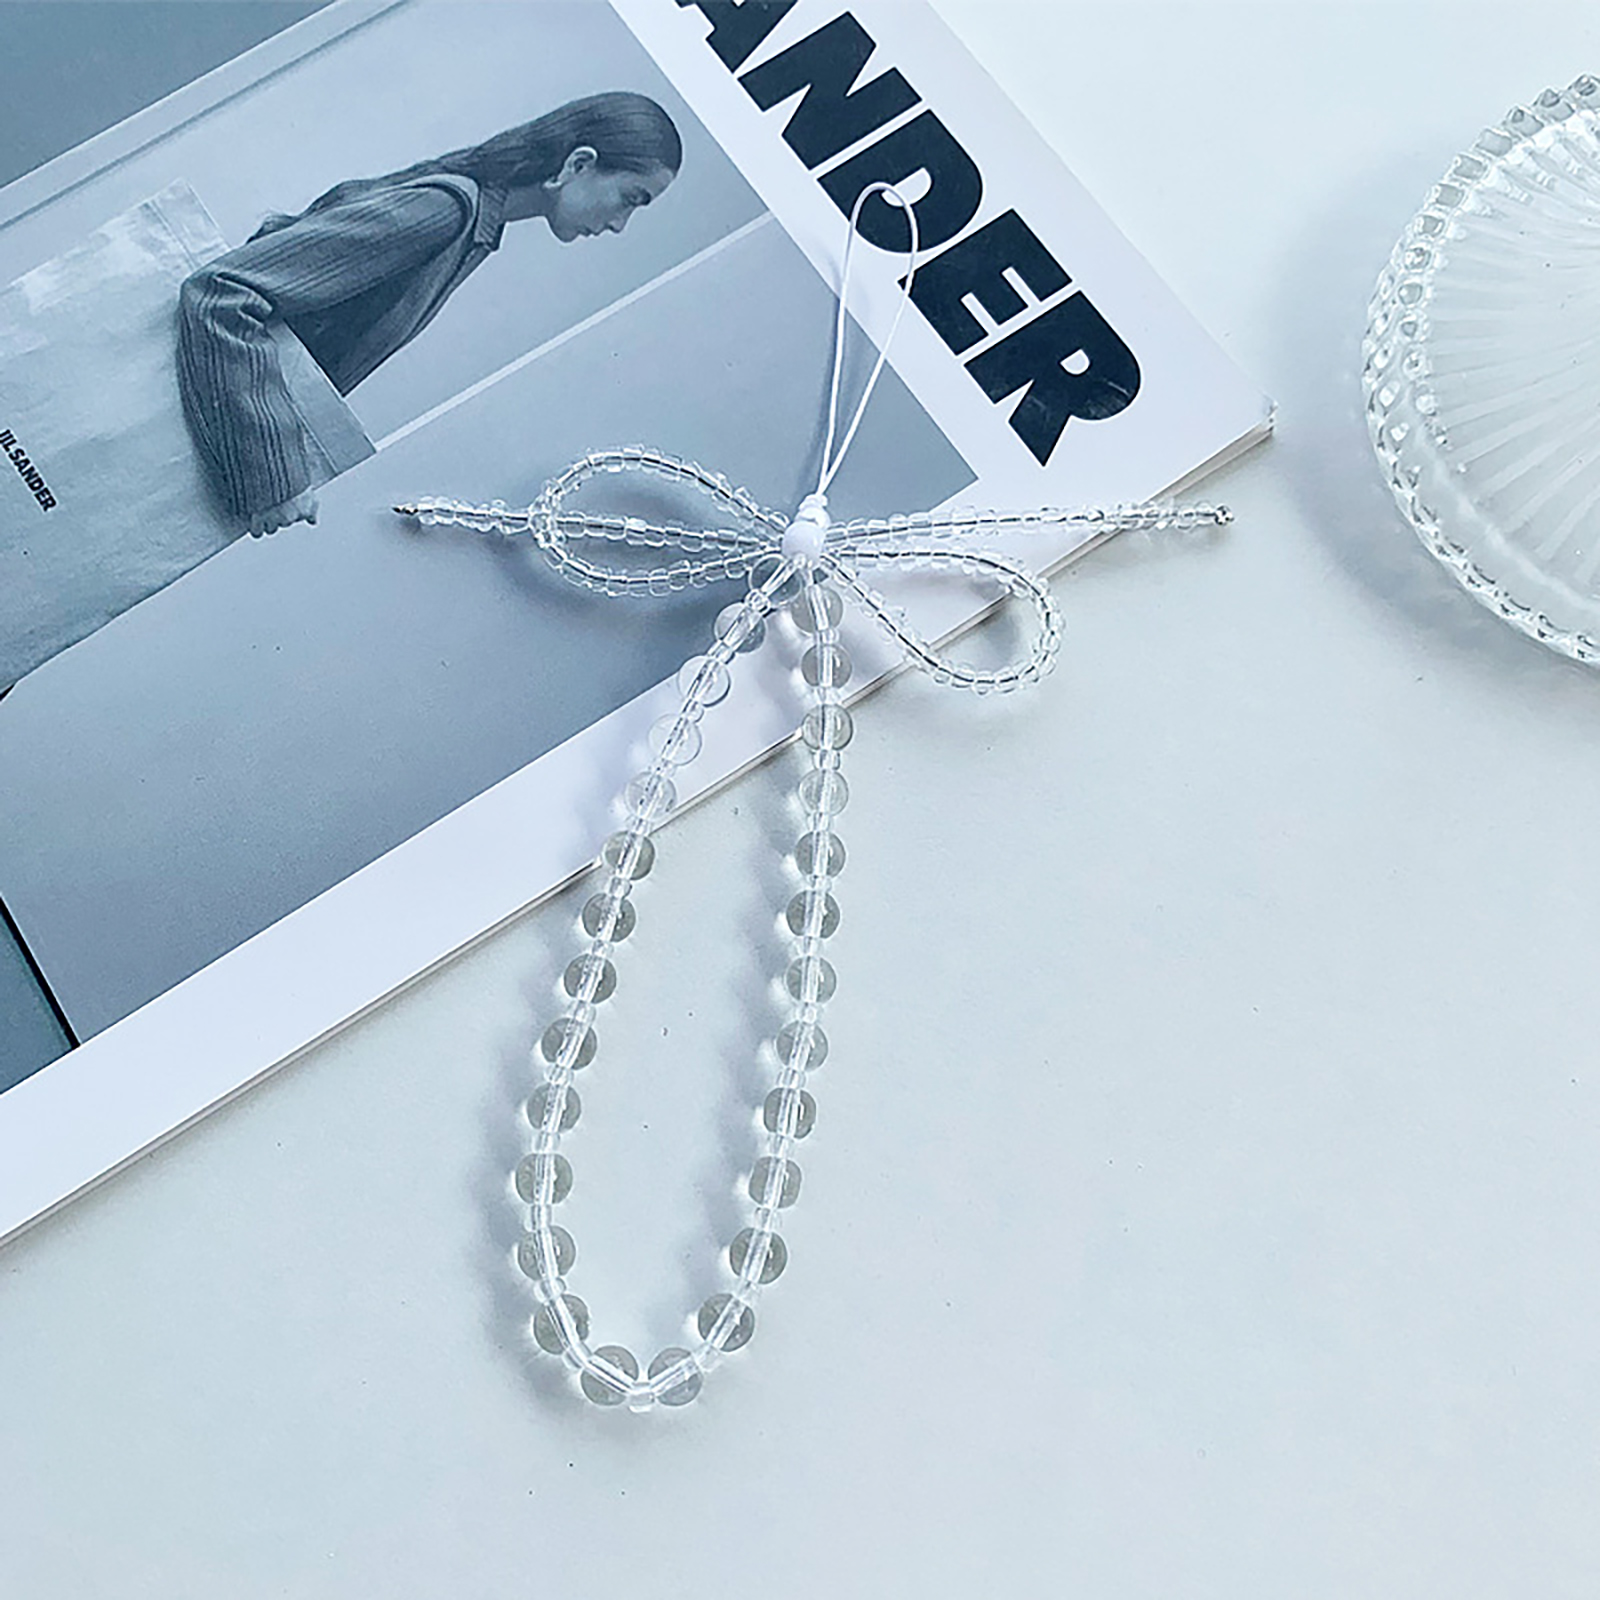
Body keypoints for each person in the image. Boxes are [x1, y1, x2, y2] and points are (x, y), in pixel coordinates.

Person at [177, 91, 682, 535]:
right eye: (630, 199)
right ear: (578, 164)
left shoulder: (468, 228)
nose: (620, 224)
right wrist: (275, 478)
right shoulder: (445, 212)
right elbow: (222, 292)